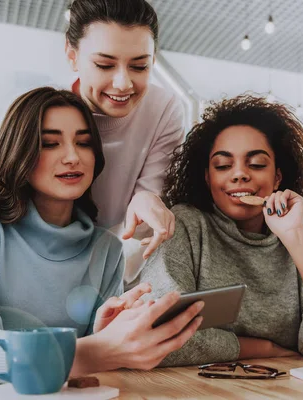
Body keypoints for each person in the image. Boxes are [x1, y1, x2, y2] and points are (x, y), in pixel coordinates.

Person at [0, 87, 203, 382]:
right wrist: (99, 350)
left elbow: (87, 366)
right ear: (18, 151)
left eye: (84, 143)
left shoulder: (105, 249)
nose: (72, 157)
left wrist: (106, 333)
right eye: (50, 143)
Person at [140, 95, 303, 366]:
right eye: (223, 165)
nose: (239, 174)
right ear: (207, 177)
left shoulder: (291, 238)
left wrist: (296, 235)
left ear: (277, 177)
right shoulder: (184, 225)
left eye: (257, 164)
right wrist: (261, 348)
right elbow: (155, 333)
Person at [65, 0, 185, 283]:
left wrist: (148, 199)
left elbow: (145, 213)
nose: (123, 84)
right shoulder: (50, 113)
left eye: (140, 66)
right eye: (104, 65)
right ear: (72, 56)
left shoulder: (163, 108)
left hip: (121, 274)